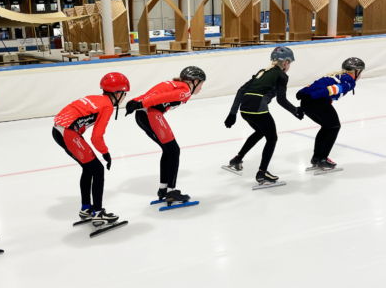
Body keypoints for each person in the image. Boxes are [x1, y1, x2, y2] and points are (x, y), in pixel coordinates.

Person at [53, 72, 130, 231]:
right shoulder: (107, 105)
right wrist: (105, 153)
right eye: (124, 94)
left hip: (59, 129)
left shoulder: (97, 98)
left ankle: (86, 209)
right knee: (98, 169)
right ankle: (97, 213)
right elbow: (97, 136)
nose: (124, 98)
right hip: (67, 132)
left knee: (89, 169)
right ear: (117, 94)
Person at [125, 66, 206, 203]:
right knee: (174, 151)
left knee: (168, 151)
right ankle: (171, 191)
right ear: (194, 81)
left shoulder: (173, 84)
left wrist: (134, 101)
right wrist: (139, 103)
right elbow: (164, 97)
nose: (201, 88)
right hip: (151, 115)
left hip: (142, 116)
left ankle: (163, 188)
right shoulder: (185, 90)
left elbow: (151, 93)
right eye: (201, 84)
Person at [224, 46, 304, 185]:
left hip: (245, 108)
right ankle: (262, 172)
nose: (289, 66)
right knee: (272, 138)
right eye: (290, 63)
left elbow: (241, 90)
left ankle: (237, 159)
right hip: (258, 109)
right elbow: (281, 100)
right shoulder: (282, 75)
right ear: (285, 62)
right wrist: (295, 111)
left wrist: (233, 113)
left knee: (261, 132)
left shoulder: (262, 72)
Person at [296, 57, 365, 169]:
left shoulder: (335, 76)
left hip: (306, 103)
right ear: (357, 72)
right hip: (316, 101)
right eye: (361, 72)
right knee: (334, 127)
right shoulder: (349, 81)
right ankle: (322, 159)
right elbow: (333, 89)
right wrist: (312, 96)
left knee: (326, 127)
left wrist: (302, 92)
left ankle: (316, 158)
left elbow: (316, 84)